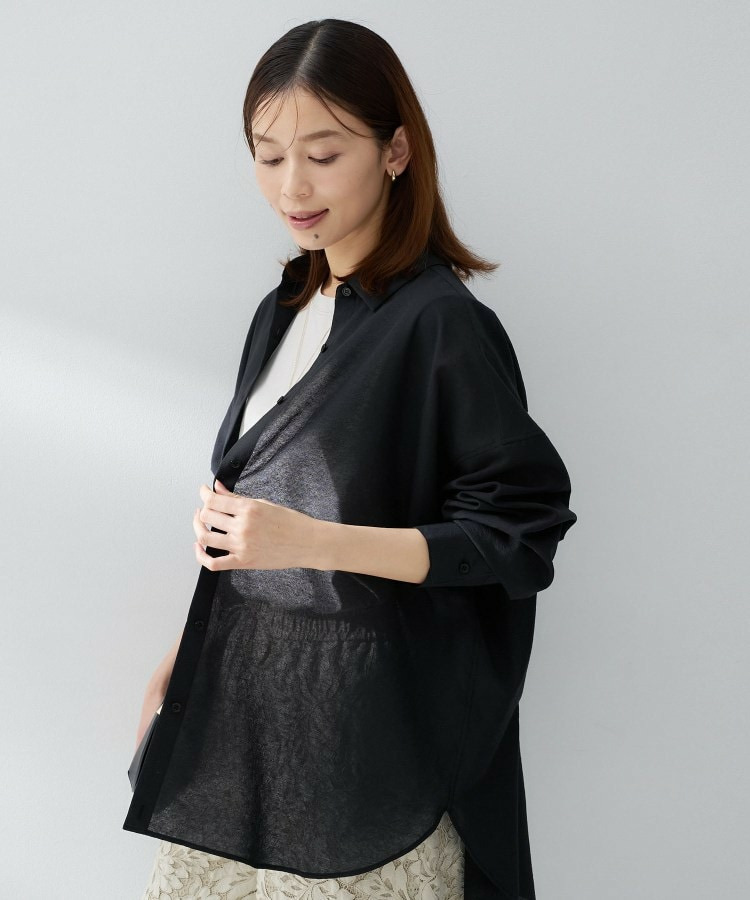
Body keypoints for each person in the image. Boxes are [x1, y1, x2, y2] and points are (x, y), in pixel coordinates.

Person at [124, 18, 577, 900]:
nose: (292, 186)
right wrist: (185, 659)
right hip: (239, 727)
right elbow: (253, 520)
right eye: (268, 156)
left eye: (324, 154)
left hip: (366, 749)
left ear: (396, 150)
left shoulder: (441, 326)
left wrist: (311, 541)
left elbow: (515, 536)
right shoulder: (283, 309)